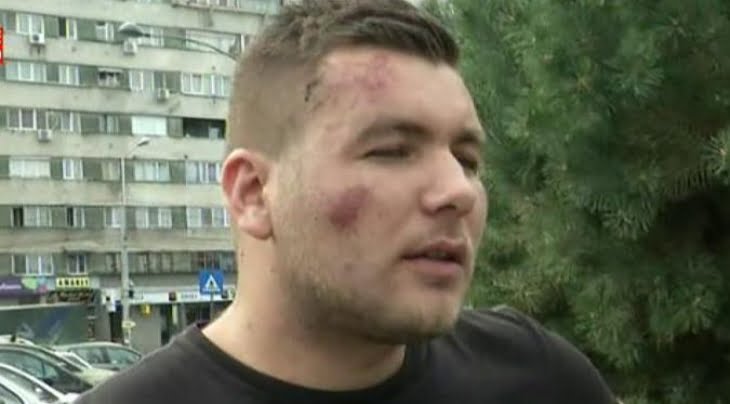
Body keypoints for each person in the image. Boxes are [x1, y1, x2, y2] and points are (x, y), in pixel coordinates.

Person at [76, 0, 619, 403]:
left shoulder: (539, 378)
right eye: (392, 151)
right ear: (254, 194)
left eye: (467, 158)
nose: (458, 190)